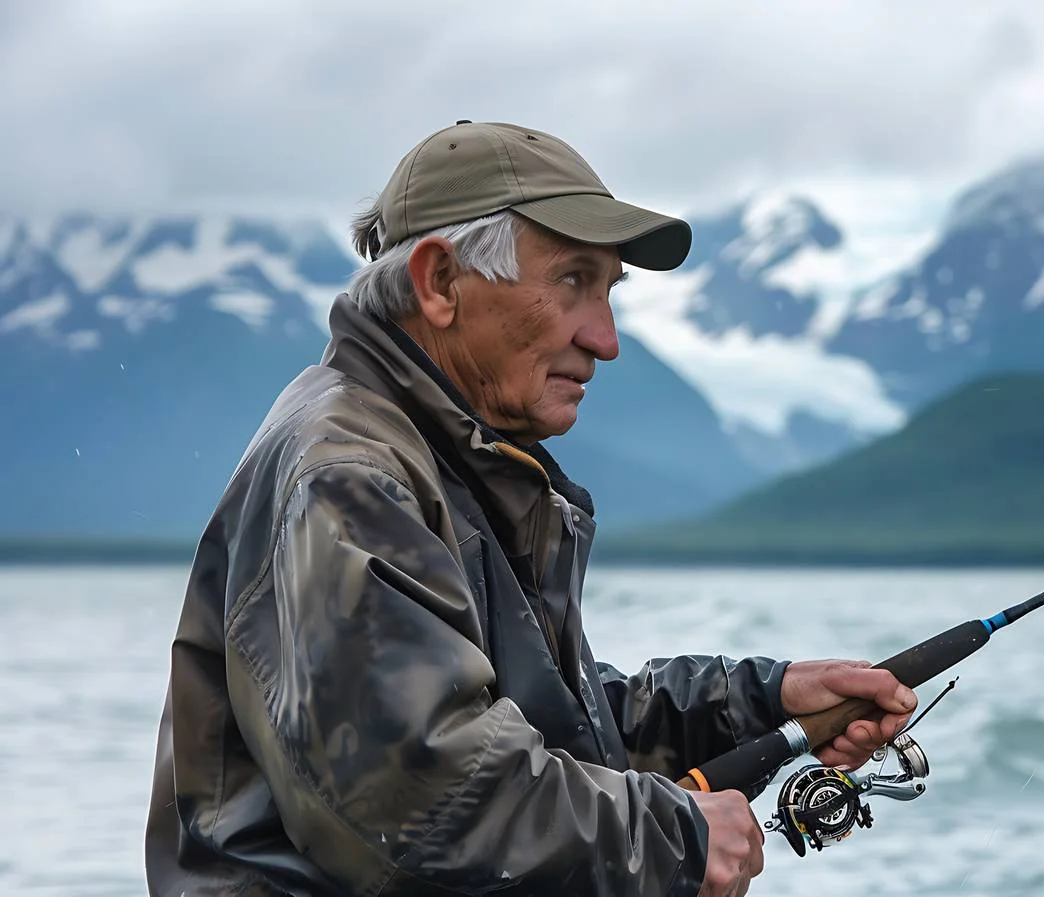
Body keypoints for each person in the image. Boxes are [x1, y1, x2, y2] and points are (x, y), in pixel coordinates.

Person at [142, 120, 918, 897]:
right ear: (441, 282)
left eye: (609, 289)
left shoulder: (432, 453)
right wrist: (673, 833)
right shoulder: (348, 476)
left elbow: (542, 723)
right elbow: (420, 797)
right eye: (574, 280)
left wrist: (759, 703)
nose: (606, 338)